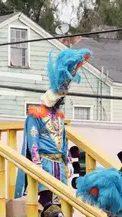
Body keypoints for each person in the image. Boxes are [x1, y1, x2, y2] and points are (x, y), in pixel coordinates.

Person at [15, 48, 92, 207]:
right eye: (59, 99)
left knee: (61, 202)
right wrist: (36, 163)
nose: (61, 103)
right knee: (47, 203)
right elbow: (33, 141)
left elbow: (63, 142)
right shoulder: (35, 116)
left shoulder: (59, 117)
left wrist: (69, 162)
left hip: (59, 165)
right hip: (45, 163)